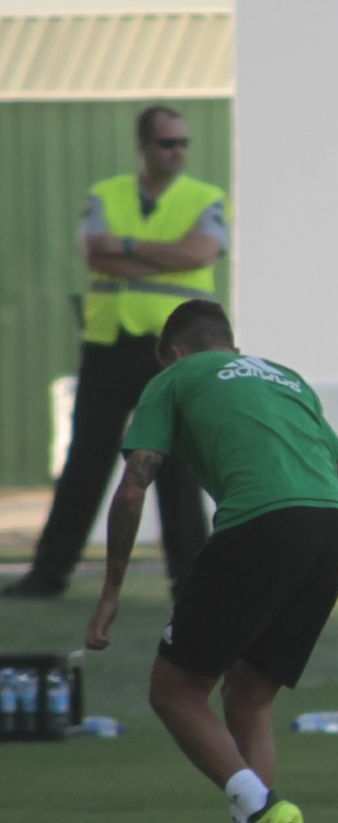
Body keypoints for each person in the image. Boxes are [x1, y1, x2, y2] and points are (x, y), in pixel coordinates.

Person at [84, 300, 338, 823]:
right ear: (232, 346)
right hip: (332, 525)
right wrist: (320, 566)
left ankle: (262, 807)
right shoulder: (286, 378)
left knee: (175, 691)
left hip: (259, 525)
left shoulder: (173, 378)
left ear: (174, 352)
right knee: (249, 695)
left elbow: (134, 487)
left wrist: (110, 592)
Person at [4, 105, 223, 600]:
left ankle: (189, 581)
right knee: (86, 460)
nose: (178, 152)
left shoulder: (205, 197)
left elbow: (199, 253)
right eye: (167, 143)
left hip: (173, 350)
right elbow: (94, 254)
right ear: (143, 146)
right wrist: (163, 253)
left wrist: (124, 246)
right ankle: (49, 573)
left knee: (177, 464)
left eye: (183, 143)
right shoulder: (106, 193)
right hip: (109, 344)